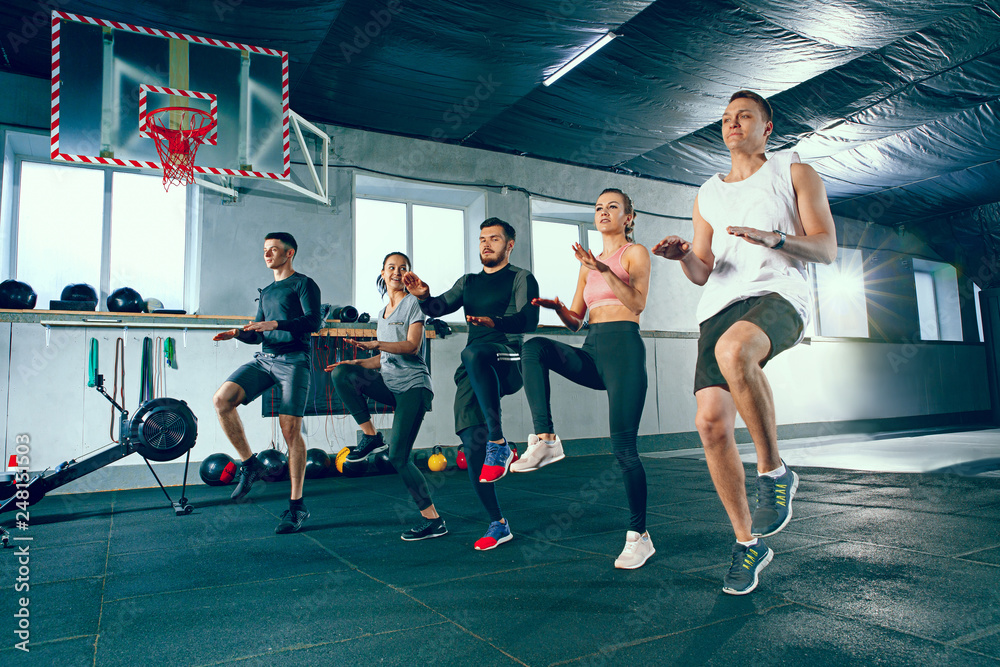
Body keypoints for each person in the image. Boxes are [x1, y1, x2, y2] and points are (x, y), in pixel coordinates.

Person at [653, 90, 837, 594]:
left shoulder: (793, 173)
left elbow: (825, 247)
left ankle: (775, 472)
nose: (733, 124)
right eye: (727, 118)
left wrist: (777, 239)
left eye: (745, 116)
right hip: (718, 306)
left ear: (767, 127)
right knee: (709, 425)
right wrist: (683, 256)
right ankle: (746, 543)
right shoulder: (707, 192)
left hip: (779, 293)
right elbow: (704, 270)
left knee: (735, 350)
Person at [512, 188, 654, 569]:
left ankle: (639, 536)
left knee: (624, 451)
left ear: (628, 217)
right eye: (598, 208)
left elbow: (637, 303)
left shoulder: (634, 254)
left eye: (613, 207)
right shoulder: (587, 265)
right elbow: (577, 321)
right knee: (535, 348)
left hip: (624, 351)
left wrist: (605, 269)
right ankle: (547, 440)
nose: (603, 212)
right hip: (593, 350)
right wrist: (559, 308)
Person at [402, 218, 539, 551]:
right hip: (474, 365)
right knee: (469, 438)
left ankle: (499, 441)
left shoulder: (521, 278)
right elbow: (439, 308)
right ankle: (498, 523)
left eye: (494, 239)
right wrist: (424, 295)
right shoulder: (469, 281)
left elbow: (529, 319)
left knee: (474, 352)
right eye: (481, 239)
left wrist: (495, 322)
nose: (486, 244)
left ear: (509, 244)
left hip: (507, 357)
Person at [326, 252, 446, 541]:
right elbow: (382, 359)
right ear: (382, 273)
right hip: (389, 383)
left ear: (408, 274)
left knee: (399, 457)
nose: (396, 272)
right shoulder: (383, 312)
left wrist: (377, 343)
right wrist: (355, 363)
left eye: (402, 268)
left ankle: (433, 521)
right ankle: (371, 437)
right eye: (391, 267)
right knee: (341, 373)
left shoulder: (414, 304)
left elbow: (412, 346)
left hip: (413, 388)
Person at [212, 232, 323, 534]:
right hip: (265, 359)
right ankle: (250, 464)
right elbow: (258, 334)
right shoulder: (266, 292)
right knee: (222, 400)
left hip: (294, 361)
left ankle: (296, 507)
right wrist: (238, 333)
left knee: (290, 432)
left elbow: (313, 321)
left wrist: (276, 324)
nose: (267, 254)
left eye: (274, 250)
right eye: (264, 250)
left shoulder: (303, 284)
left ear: (290, 254)